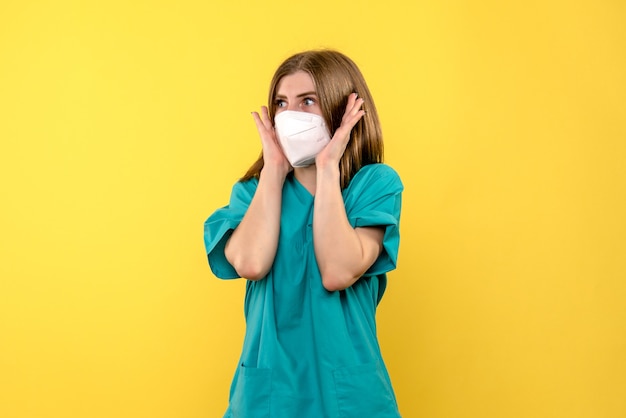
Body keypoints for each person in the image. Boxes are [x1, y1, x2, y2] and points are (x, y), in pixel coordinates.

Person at [203, 49, 403, 418]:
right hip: (268, 396)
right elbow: (250, 261)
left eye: (307, 101)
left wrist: (328, 168)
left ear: (342, 110)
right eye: (281, 103)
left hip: (349, 399)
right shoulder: (251, 194)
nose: (290, 115)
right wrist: (273, 172)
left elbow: (338, 270)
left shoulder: (373, 185)